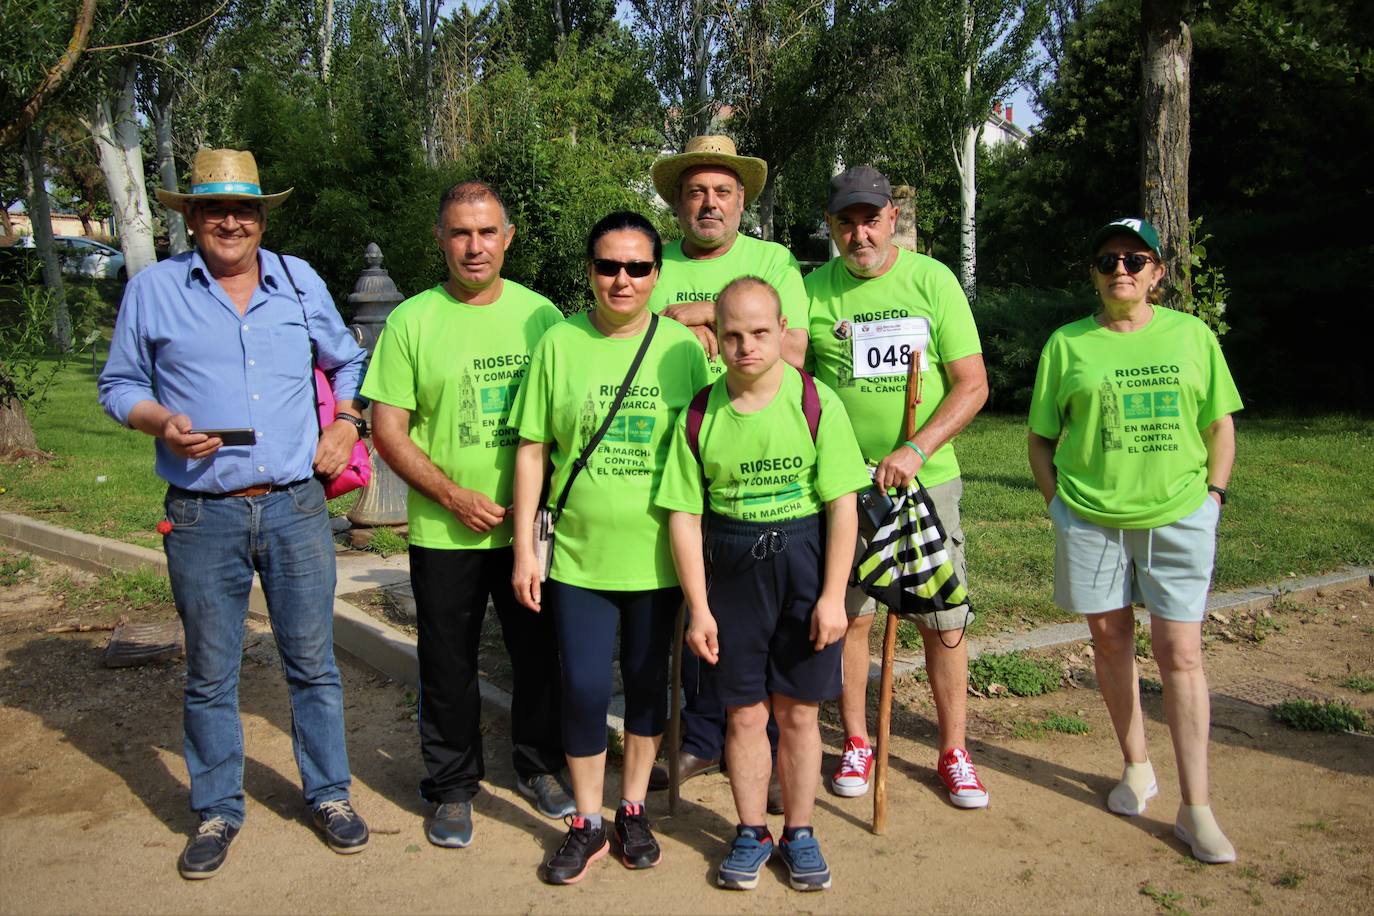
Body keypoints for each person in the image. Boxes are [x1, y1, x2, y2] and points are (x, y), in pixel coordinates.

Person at [97, 148, 369, 879]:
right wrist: (159, 421)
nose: (230, 221)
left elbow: (349, 360)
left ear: (260, 218)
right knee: (210, 671)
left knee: (312, 662)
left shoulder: (296, 279)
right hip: (201, 513)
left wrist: (346, 421)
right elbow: (118, 383)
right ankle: (217, 807)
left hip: (294, 507)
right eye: (213, 208)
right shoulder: (154, 290)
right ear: (189, 216)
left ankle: (329, 794)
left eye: (243, 209)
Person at [361, 181, 570, 849]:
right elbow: (386, 427)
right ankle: (452, 786)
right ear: (440, 240)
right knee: (445, 662)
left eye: (486, 232)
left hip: (526, 529)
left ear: (507, 238)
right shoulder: (412, 321)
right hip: (445, 531)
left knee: (538, 655)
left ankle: (540, 765)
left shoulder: (544, 318)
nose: (473, 246)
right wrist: (453, 495)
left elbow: (567, 418)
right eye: (460, 232)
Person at [1027, 217, 1241, 864]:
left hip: (1179, 515)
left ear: (1157, 272)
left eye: (1134, 259)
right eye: (1107, 260)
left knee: (1181, 653)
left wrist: (1213, 501)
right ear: (1094, 274)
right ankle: (1136, 765)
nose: (1120, 269)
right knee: (1110, 639)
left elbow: (1220, 426)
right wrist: (1058, 507)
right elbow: (1039, 439)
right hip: (1090, 517)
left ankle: (1196, 807)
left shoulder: (1193, 336)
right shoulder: (1067, 345)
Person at [510, 211, 709, 885]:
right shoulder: (560, 344)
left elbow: (709, 445)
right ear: (590, 270)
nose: (622, 280)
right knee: (587, 686)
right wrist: (523, 549)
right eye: (608, 266)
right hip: (578, 556)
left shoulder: (682, 349)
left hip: (658, 559)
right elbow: (532, 449)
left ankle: (632, 808)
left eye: (638, 267)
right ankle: (586, 821)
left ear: (657, 274)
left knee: (649, 689)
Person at [658, 277, 869, 892]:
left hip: (803, 561)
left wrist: (833, 595)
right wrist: (698, 607)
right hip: (733, 566)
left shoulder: (814, 401)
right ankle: (751, 829)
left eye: (759, 332)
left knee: (800, 715)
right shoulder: (701, 413)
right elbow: (683, 514)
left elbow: (842, 506)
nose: (746, 346)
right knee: (744, 715)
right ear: (715, 340)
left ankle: (799, 831)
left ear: (782, 331)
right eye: (732, 335)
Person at [806, 166, 991, 807]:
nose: (859, 234)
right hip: (849, 491)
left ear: (892, 219)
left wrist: (916, 448)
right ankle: (857, 741)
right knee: (852, 618)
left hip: (927, 482)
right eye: (845, 222)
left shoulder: (932, 281)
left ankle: (953, 749)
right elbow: (794, 385)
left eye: (870, 219)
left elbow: (973, 384)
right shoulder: (814, 292)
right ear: (832, 228)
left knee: (942, 620)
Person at [646, 134, 807, 800]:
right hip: (677, 454)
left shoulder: (772, 260)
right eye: (695, 192)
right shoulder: (654, 263)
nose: (708, 203)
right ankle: (705, 739)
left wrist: (702, 315)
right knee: (700, 611)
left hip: (759, 462)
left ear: (742, 200)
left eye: (721, 191)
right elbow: (627, 329)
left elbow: (794, 349)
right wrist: (672, 313)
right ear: (679, 204)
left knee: (765, 617)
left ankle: (767, 750)